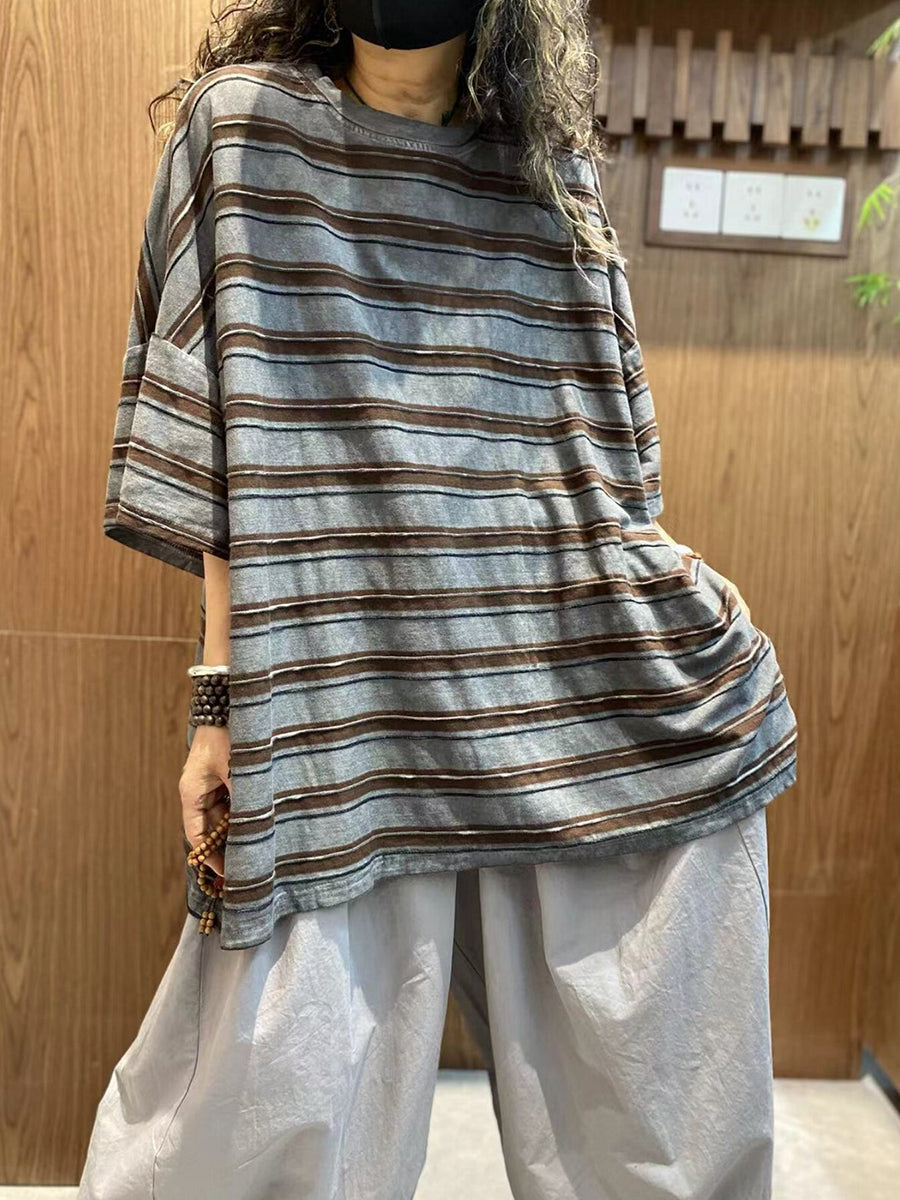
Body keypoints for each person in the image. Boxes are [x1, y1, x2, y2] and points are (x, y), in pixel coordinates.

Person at [79, 1, 798, 1196]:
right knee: (258, 1122)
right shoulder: (241, 133)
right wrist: (220, 702)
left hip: (566, 689)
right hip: (340, 705)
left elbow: (620, 474)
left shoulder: (547, 170)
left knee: (651, 1137)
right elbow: (214, 451)